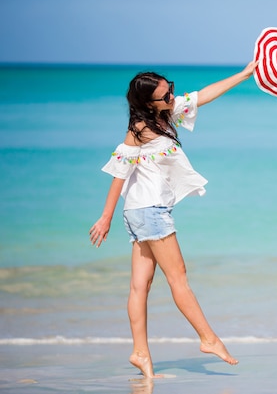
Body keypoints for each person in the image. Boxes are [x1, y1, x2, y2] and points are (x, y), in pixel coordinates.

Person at [89, 61, 258, 378]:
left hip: (139, 213)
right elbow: (118, 173)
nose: (171, 98)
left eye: (171, 91)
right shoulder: (139, 131)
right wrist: (105, 217)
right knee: (178, 279)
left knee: (140, 286)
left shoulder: (163, 114)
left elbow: (204, 95)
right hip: (150, 212)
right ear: (147, 103)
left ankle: (140, 352)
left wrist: (245, 74)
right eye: (164, 96)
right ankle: (208, 339)